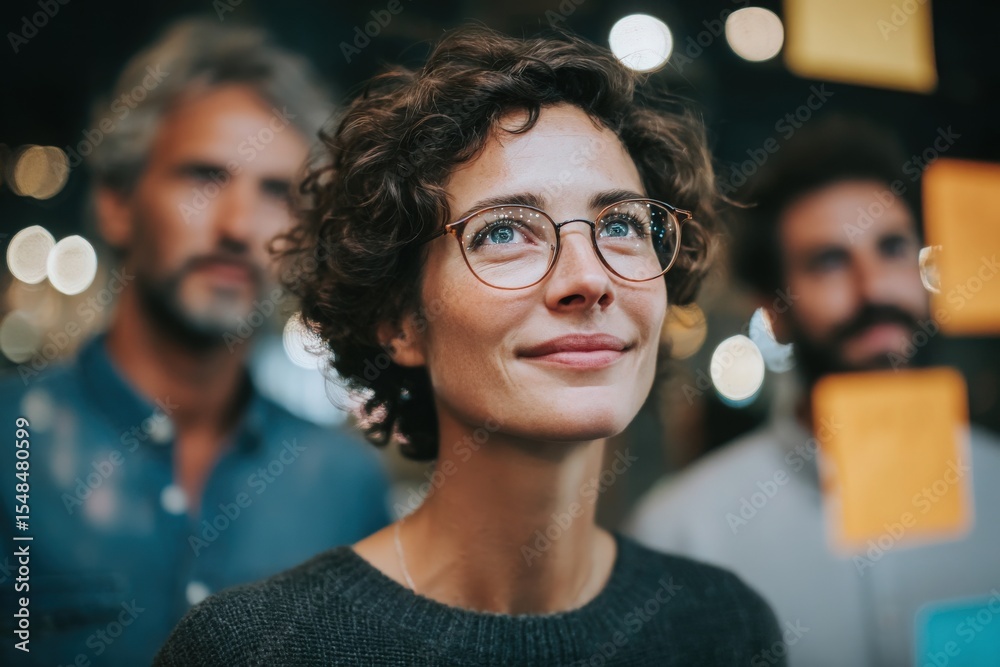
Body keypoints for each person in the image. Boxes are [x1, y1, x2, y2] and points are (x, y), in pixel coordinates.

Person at [152, 25, 786, 666]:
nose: (589, 279)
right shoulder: (255, 649)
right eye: (506, 232)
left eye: (620, 224)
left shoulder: (722, 628)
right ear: (400, 321)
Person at [0, 18, 390, 667]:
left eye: (276, 192)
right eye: (205, 177)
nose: (239, 225)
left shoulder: (346, 487)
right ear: (118, 203)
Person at [627, 116, 1000, 667]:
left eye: (893, 248)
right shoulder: (685, 532)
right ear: (774, 312)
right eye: (829, 262)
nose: (873, 288)